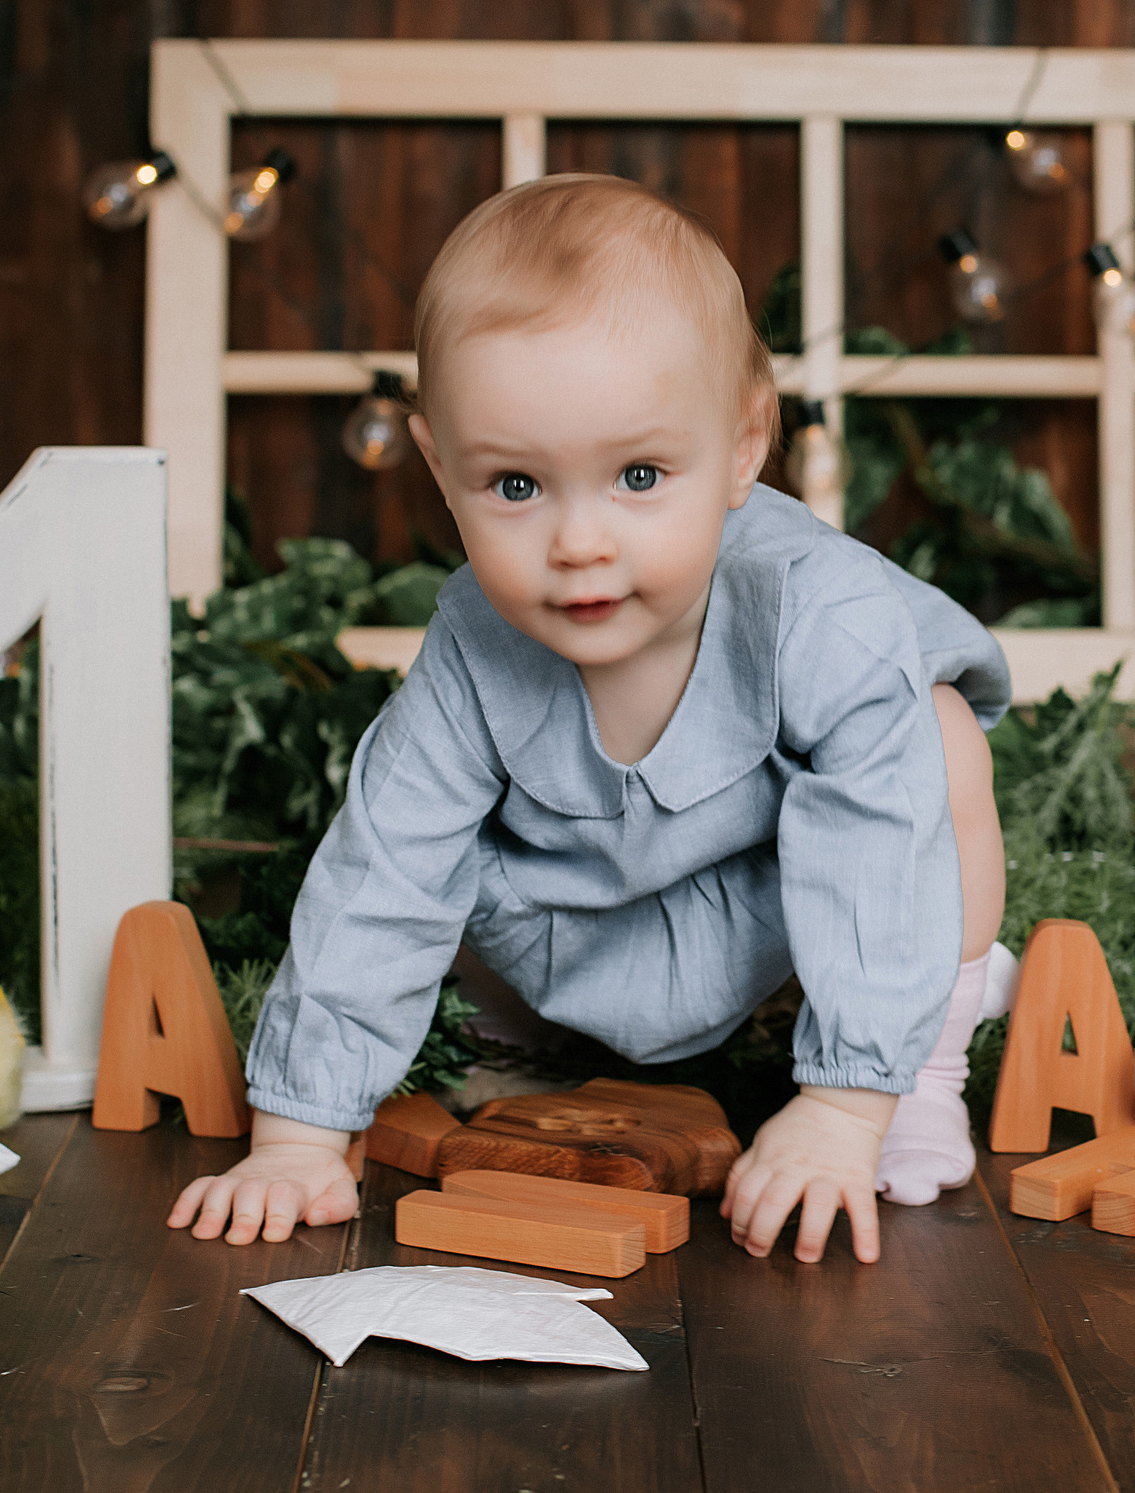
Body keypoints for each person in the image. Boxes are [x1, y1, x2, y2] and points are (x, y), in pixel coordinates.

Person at [169, 174, 1011, 1263]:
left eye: (640, 475)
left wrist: (846, 1104)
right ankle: (520, 1040)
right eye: (515, 487)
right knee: (417, 833)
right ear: (439, 467)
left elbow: (874, 851)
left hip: (779, 918)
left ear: (746, 447)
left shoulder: (818, 610)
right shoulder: (473, 646)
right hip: (568, 927)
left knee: (935, 742)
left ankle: (922, 1071)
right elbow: (385, 871)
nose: (577, 543)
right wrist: (297, 1135)